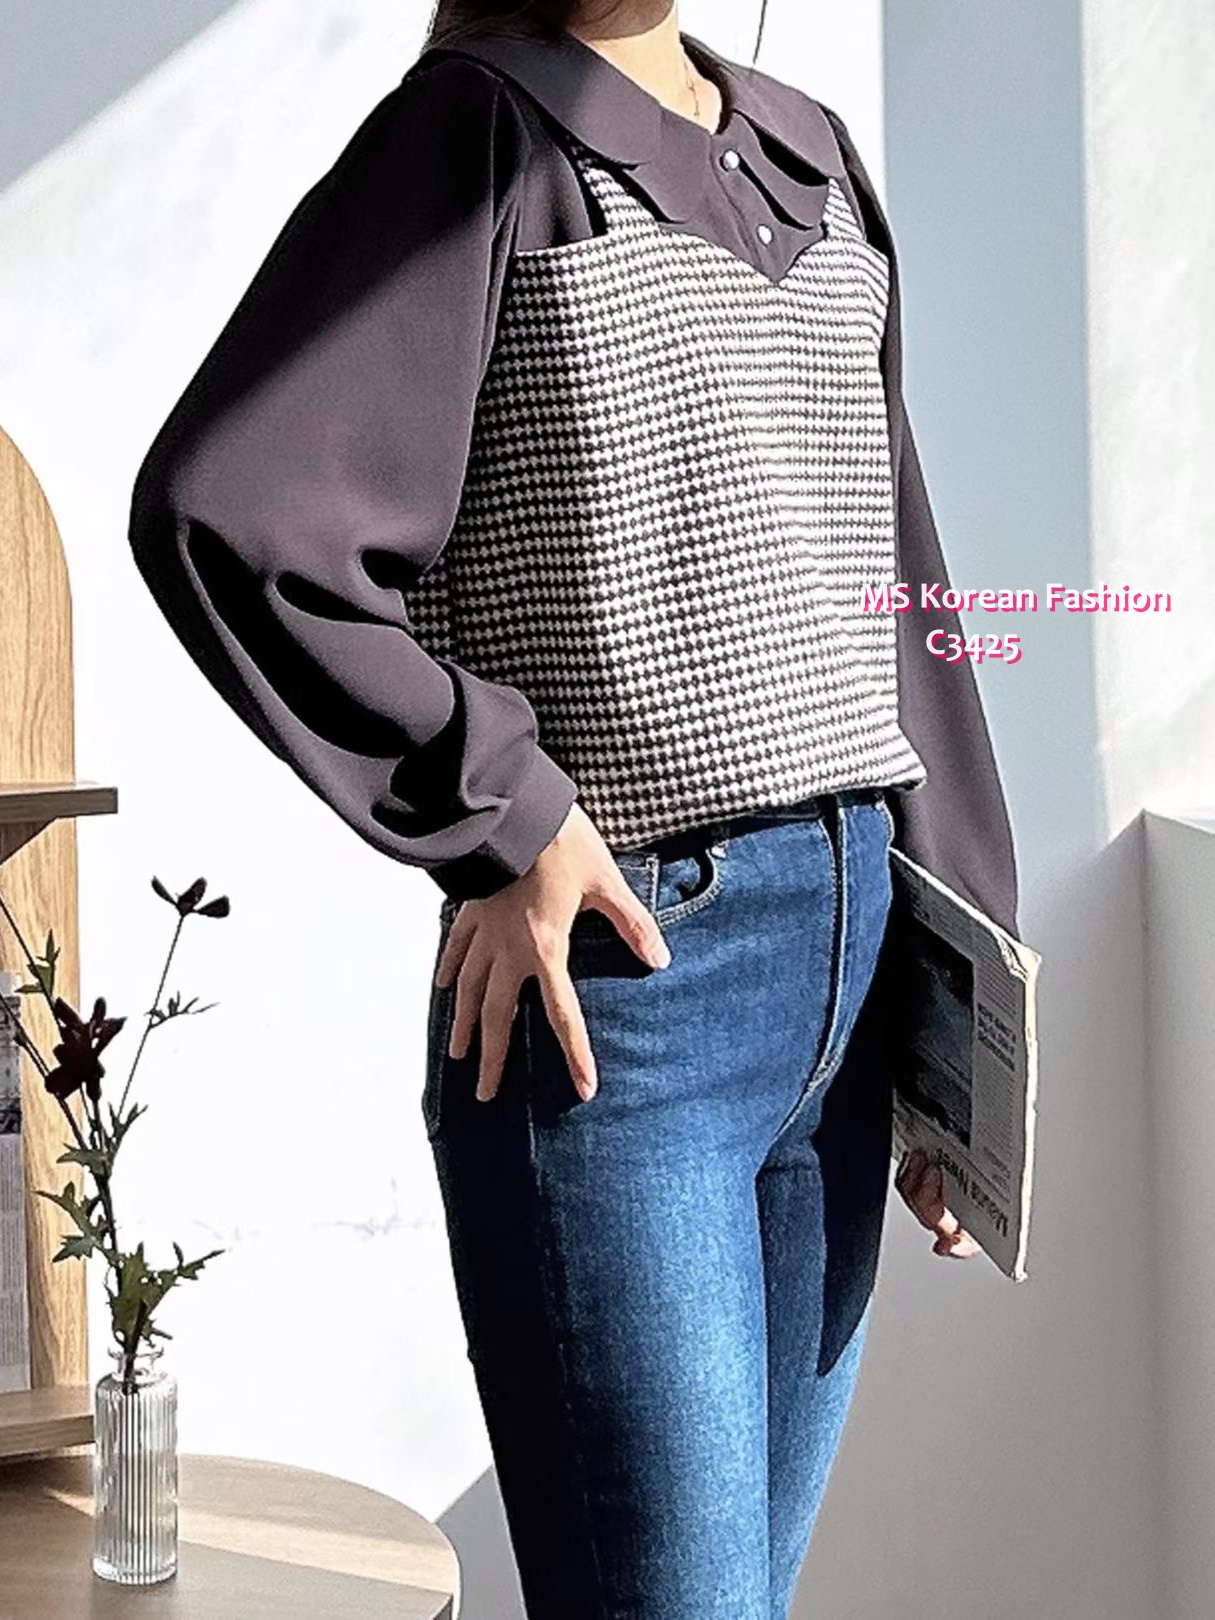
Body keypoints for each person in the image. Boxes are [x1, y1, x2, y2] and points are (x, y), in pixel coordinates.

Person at [128, 2, 1020, 1614]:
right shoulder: (480, 136)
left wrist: (963, 1025)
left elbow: (895, 589)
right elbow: (234, 513)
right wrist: (508, 811)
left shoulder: (811, 154)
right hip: (626, 1011)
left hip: (849, 1006)